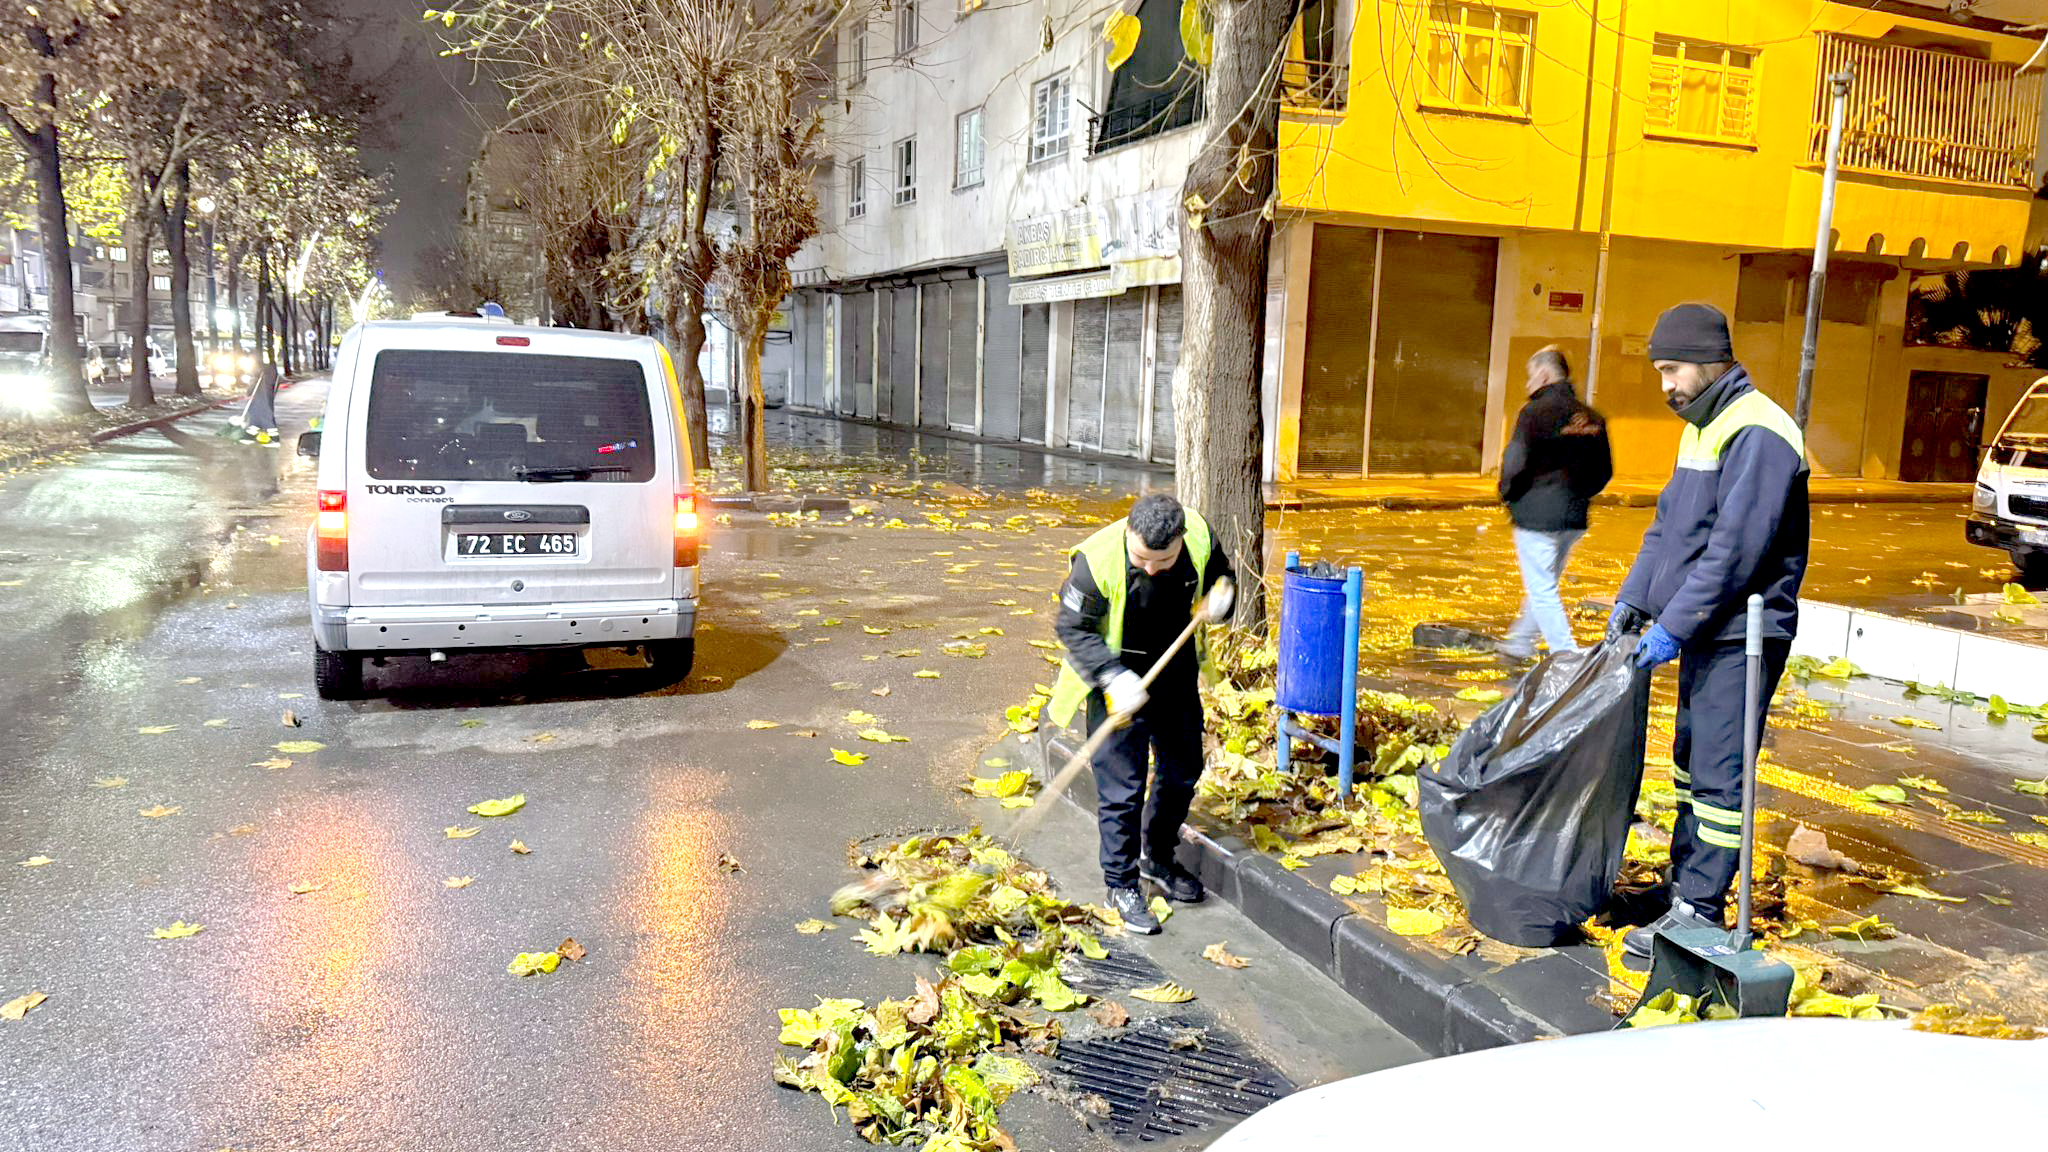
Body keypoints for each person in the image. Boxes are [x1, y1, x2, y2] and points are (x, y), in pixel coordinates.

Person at [1608, 303, 1809, 957]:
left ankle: (1699, 912)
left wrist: (1673, 624)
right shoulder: (1704, 427)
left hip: (1742, 634)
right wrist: (1636, 598)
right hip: (1707, 631)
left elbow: (1735, 551)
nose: (1665, 384)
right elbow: (1668, 527)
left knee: (1720, 778)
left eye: (1672, 369)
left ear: (1707, 358)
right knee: (1692, 769)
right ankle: (1683, 889)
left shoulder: (1759, 432)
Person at [1051, 493, 1235, 935]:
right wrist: (1113, 676)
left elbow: (1222, 576)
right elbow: (1071, 627)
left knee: (1183, 770)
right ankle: (1120, 883)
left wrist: (1223, 597)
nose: (1151, 568)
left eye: (1163, 560)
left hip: (1175, 675)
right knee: (1123, 789)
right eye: (1141, 558)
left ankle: (1159, 858)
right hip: (1116, 683)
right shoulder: (1095, 562)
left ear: (1181, 541)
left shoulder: (1200, 538)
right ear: (1128, 535)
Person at [1496, 345, 1612, 661]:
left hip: (1537, 518)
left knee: (1543, 590)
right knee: (1543, 584)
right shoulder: (1592, 418)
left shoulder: (1534, 415)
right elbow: (1604, 471)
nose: (1527, 384)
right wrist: (1578, 496)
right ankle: (1519, 643)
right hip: (1573, 519)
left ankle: (1567, 658)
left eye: (1530, 376)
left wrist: (1509, 496)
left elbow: (1515, 464)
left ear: (1545, 375)